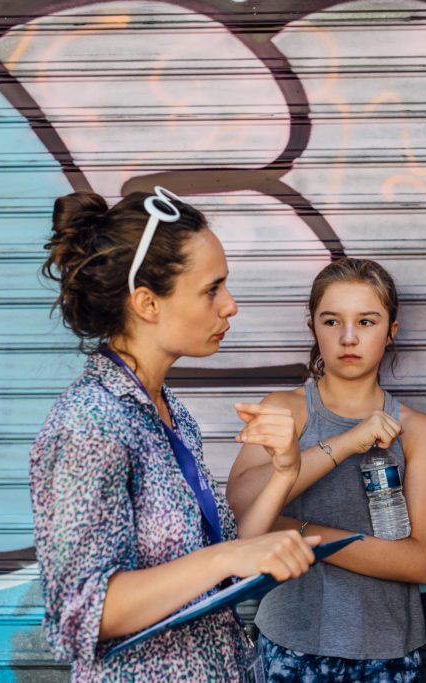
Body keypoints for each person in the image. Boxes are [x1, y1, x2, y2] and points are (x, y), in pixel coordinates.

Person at [30, 187, 319, 681]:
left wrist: (283, 473)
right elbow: (81, 613)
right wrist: (228, 554)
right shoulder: (89, 425)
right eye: (212, 289)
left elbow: (221, 569)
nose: (230, 306)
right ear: (147, 302)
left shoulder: (171, 414)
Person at [227, 258, 426, 682]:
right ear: (313, 328)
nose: (348, 337)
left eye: (366, 321)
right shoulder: (283, 410)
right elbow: (244, 510)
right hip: (289, 644)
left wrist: (299, 533)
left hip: (387, 651)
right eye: (331, 321)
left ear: (391, 331)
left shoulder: (417, 430)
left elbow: (421, 563)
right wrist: (345, 443)